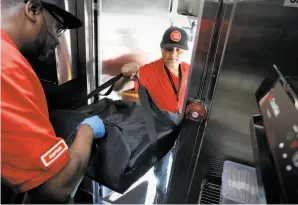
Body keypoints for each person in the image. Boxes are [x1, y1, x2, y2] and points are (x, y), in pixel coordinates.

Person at [1, 0, 106, 203]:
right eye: (58, 28)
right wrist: (88, 130)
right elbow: (57, 188)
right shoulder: (7, 66)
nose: (57, 41)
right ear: (33, 10)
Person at [114, 26, 190, 203]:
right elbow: (119, 88)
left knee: (180, 166)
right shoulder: (148, 71)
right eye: (168, 49)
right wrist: (126, 75)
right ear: (161, 49)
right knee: (161, 170)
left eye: (179, 49)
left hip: (185, 131)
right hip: (160, 132)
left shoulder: (189, 70)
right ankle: (161, 196)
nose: (173, 54)